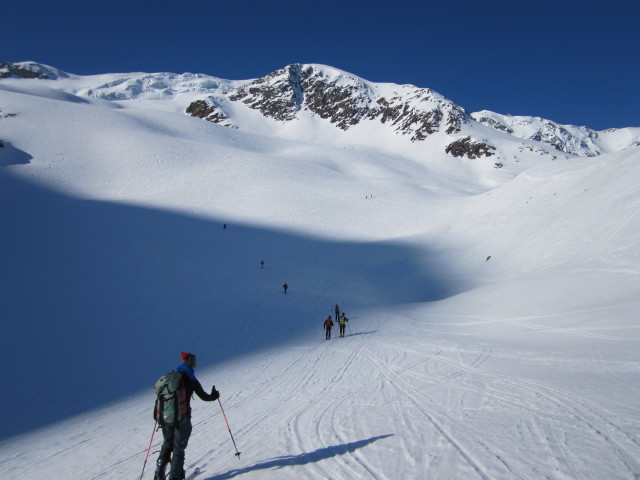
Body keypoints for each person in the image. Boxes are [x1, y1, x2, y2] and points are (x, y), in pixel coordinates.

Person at [155, 352, 219, 480]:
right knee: (178, 449)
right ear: (189, 360)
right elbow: (204, 396)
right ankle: (175, 477)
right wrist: (214, 395)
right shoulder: (190, 377)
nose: (195, 363)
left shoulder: (172, 377)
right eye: (194, 360)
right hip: (182, 418)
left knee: (167, 444)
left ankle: (159, 474)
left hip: (165, 417)